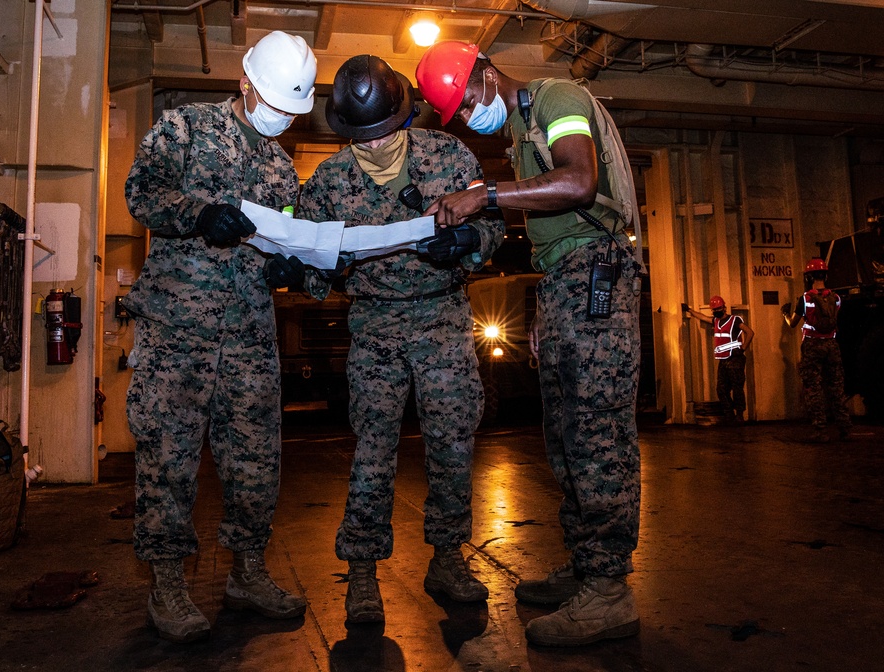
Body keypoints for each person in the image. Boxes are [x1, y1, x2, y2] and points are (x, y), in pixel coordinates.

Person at [415, 41, 641, 647]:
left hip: (599, 272)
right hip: (567, 280)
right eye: (456, 113)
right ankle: (586, 565)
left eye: (465, 103)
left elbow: (578, 182)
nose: (465, 118)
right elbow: (553, 228)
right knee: (566, 434)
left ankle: (610, 590)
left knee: (598, 434)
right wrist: (546, 304)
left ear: (486, 74)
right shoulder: (519, 126)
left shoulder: (557, 98)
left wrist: (484, 195)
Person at [295, 54, 504, 624]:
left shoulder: (449, 156)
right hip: (376, 329)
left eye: (385, 134)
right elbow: (307, 270)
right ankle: (361, 572)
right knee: (372, 455)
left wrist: (468, 244)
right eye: (362, 139)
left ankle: (447, 557)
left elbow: (493, 223)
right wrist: (322, 264)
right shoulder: (328, 183)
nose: (376, 147)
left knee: (454, 447)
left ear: (404, 118)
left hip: (443, 321)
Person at [123, 31, 315, 643]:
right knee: (168, 458)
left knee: (257, 461)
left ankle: (248, 573)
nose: (281, 119)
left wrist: (289, 267)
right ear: (245, 84)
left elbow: (285, 240)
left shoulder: (283, 168)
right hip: (177, 332)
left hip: (249, 335)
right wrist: (197, 214)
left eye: (292, 111)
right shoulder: (183, 128)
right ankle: (168, 586)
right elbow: (141, 192)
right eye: (275, 104)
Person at [782, 258, 852, 442]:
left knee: (814, 388)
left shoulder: (805, 299)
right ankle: (844, 427)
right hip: (832, 345)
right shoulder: (836, 298)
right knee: (836, 386)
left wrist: (785, 315)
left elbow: (793, 324)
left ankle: (820, 430)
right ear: (826, 275)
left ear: (809, 277)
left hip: (813, 346)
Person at [682, 295, 755, 422]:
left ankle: (739, 415)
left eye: (718, 309)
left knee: (737, 388)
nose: (716, 311)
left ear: (724, 308)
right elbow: (703, 317)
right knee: (721, 389)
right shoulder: (716, 321)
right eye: (714, 310)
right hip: (723, 359)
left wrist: (743, 348)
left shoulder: (734, 320)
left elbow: (750, 332)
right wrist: (689, 310)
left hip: (735, 359)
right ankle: (729, 413)